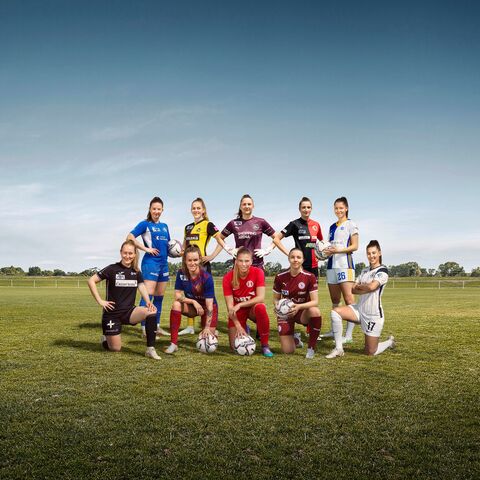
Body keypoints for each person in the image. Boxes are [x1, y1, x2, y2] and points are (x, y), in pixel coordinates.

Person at [87, 239, 161, 360]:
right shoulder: (112, 269)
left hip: (129, 312)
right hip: (112, 315)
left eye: (130, 253)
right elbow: (91, 280)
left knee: (151, 311)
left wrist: (148, 301)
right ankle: (106, 338)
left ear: (135, 254)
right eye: (125, 253)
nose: (127, 256)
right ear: (121, 252)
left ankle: (150, 349)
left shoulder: (136, 271)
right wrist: (100, 301)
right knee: (116, 349)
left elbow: (141, 286)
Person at [326, 240, 395, 358]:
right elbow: (352, 289)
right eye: (368, 253)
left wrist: (362, 286)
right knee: (335, 312)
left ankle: (389, 342)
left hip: (373, 314)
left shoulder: (382, 271)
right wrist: (365, 287)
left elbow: (372, 287)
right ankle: (338, 349)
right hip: (359, 310)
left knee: (370, 352)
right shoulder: (364, 271)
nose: (371, 256)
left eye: (374, 253)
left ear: (379, 253)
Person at [178, 197, 226, 336]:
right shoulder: (187, 227)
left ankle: (211, 325)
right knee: (189, 292)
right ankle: (190, 327)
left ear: (203, 210)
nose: (196, 210)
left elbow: (221, 239)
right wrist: (179, 252)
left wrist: (212, 256)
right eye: (194, 208)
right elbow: (184, 247)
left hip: (202, 266)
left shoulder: (208, 224)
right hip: (188, 264)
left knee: (208, 295)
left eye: (198, 208)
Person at [127, 197, 170, 337]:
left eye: (159, 209)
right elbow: (130, 237)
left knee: (159, 297)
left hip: (164, 264)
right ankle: (145, 329)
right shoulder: (145, 224)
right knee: (148, 296)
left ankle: (156, 326)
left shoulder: (165, 226)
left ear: (162, 210)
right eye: (154, 209)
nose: (156, 211)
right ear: (150, 210)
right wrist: (146, 249)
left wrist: (178, 252)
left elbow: (168, 247)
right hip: (151, 263)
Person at [164, 245, 218, 354]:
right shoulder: (181, 273)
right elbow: (177, 296)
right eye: (189, 260)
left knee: (208, 343)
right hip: (193, 307)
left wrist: (207, 327)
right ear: (185, 260)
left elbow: (209, 306)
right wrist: (193, 302)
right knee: (176, 304)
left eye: (195, 260)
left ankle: (211, 329)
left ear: (200, 260)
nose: (192, 263)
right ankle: (173, 343)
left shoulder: (206, 277)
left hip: (208, 309)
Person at [222, 247, 274, 357]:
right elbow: (230, 308)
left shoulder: (258, 272)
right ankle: (244, 327)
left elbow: (260, 298)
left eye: (246, 261)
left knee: (260, 307)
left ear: (251, 261)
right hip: (237, 313)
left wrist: (240, 304)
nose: (243, 264)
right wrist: (238, 326)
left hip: (251, 308)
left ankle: (265, 345)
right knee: (234, 347)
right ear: (236, 261)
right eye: (240, 261)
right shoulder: (227, 277)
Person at [213, 194, 289, 269]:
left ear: (253, 206)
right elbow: (219, 238)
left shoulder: (261, 222)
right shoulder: (233, 223)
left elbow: (277, 238)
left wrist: (267, 250)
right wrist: (229, 249)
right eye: (244, 204)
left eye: (249, 204)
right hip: (239, 264)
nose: (247, 206)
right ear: (240, 207)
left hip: (257, 264)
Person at [320, 196, 359, 343]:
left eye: (341, 208)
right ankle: (334, 330)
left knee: (349, 299)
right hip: (331, 267)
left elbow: (355, 246)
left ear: (346, 208)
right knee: (335, 300)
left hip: (345, 265)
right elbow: (330, 247)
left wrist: (338, 250)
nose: (338, 210)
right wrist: (324, 253)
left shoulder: (351, 224)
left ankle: (348, 335)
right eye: (336, 208)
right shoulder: (331, 226)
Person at [273, 248, 322, 359]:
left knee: (315, 311)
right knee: (288, 351)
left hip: (301, 312)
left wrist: (299, 306)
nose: (295, 260)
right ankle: (295, 340)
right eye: (292, 257)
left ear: (303, 260)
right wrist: (277, 306)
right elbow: (276, 299)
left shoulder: (310, 277)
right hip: (285, 313)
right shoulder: (280, 277)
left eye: (298, 257)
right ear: (289, 259)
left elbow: (315, 301)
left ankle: (311, 348)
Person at [275, 197, 324, 277]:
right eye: (303, 207)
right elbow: (276, 239)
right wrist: (289, 254)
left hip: (314, 267)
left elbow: (323, 243)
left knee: (314, 290)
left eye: (308, 207)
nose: (306, 209)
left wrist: (321, 256)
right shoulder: (294, 224)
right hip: (299, 266)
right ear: (299, 209)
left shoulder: (316, 224)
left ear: (311, 209)